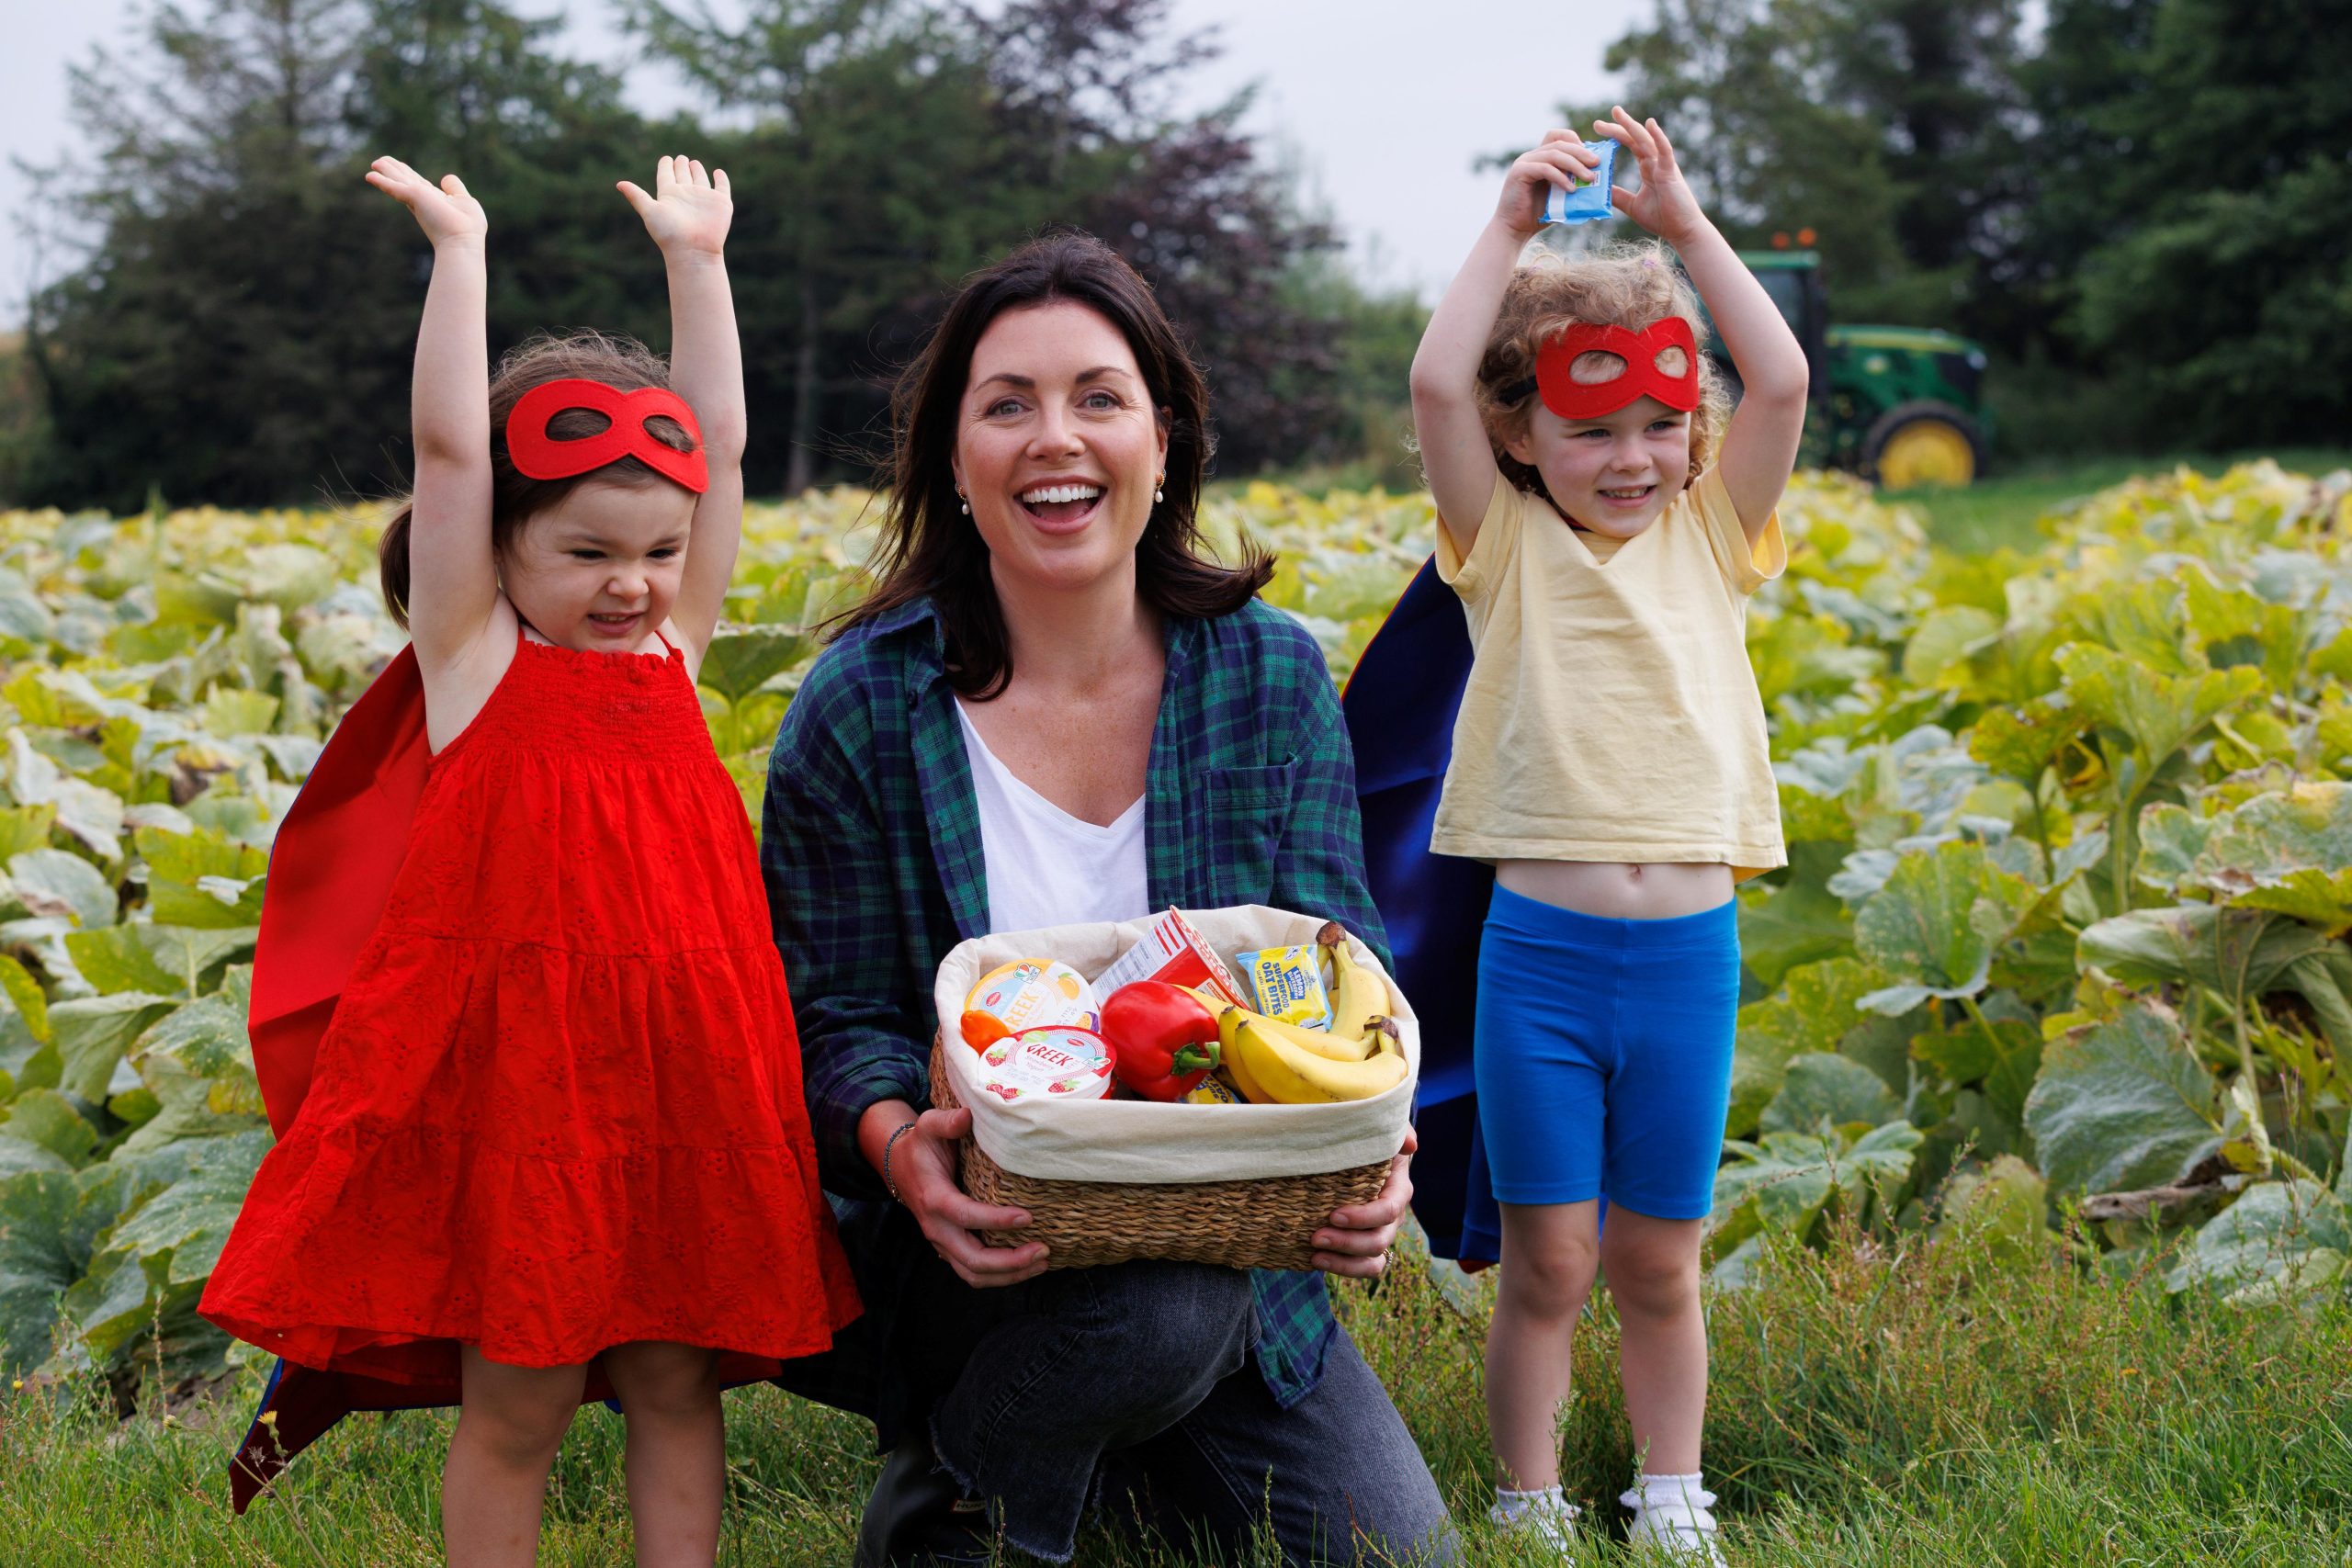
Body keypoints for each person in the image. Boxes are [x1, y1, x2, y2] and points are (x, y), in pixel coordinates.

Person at [761, 231, 1455, 1568]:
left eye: (1097, 397)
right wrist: (903, 1146)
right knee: (1156, 1327)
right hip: (979, 1238)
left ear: (1165, 436)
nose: (1053, 439)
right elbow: (828, 1009)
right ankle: (964, 1486)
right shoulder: (861, 708)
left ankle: (1104, 1444)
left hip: (1231, 1239)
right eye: (1005, 404)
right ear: (952, 458)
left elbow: (1337, 960)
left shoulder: (1265, 678)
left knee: (1396, 1557)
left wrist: (1372, 1149)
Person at [201, 154, 858, 1566]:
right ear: (500, 549)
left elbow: (722, 446)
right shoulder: (478, 662)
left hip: (685, 1065)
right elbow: (449, 448)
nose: (633, 582)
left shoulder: (676, 653)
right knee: (522, 1392)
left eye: (660, 549)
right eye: (587, 551)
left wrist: (700, 263)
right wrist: (459, 253)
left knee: (681, 1381)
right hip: (528, 1086)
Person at [1406, 109, 1808, 1562]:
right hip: (1543, 964)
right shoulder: (1499, 546)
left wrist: (1685, 227)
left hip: (1690, 958)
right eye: (1591, 429)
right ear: (1527, 435)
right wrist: (1513, 224)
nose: (1632, 457)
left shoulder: (1717, 530)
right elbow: (1438, 381)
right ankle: (1526, 1501)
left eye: (1659, 424)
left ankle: (1671, 1490)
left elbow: (1785, 375)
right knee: (1548, 1261)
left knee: (1660, 1260)